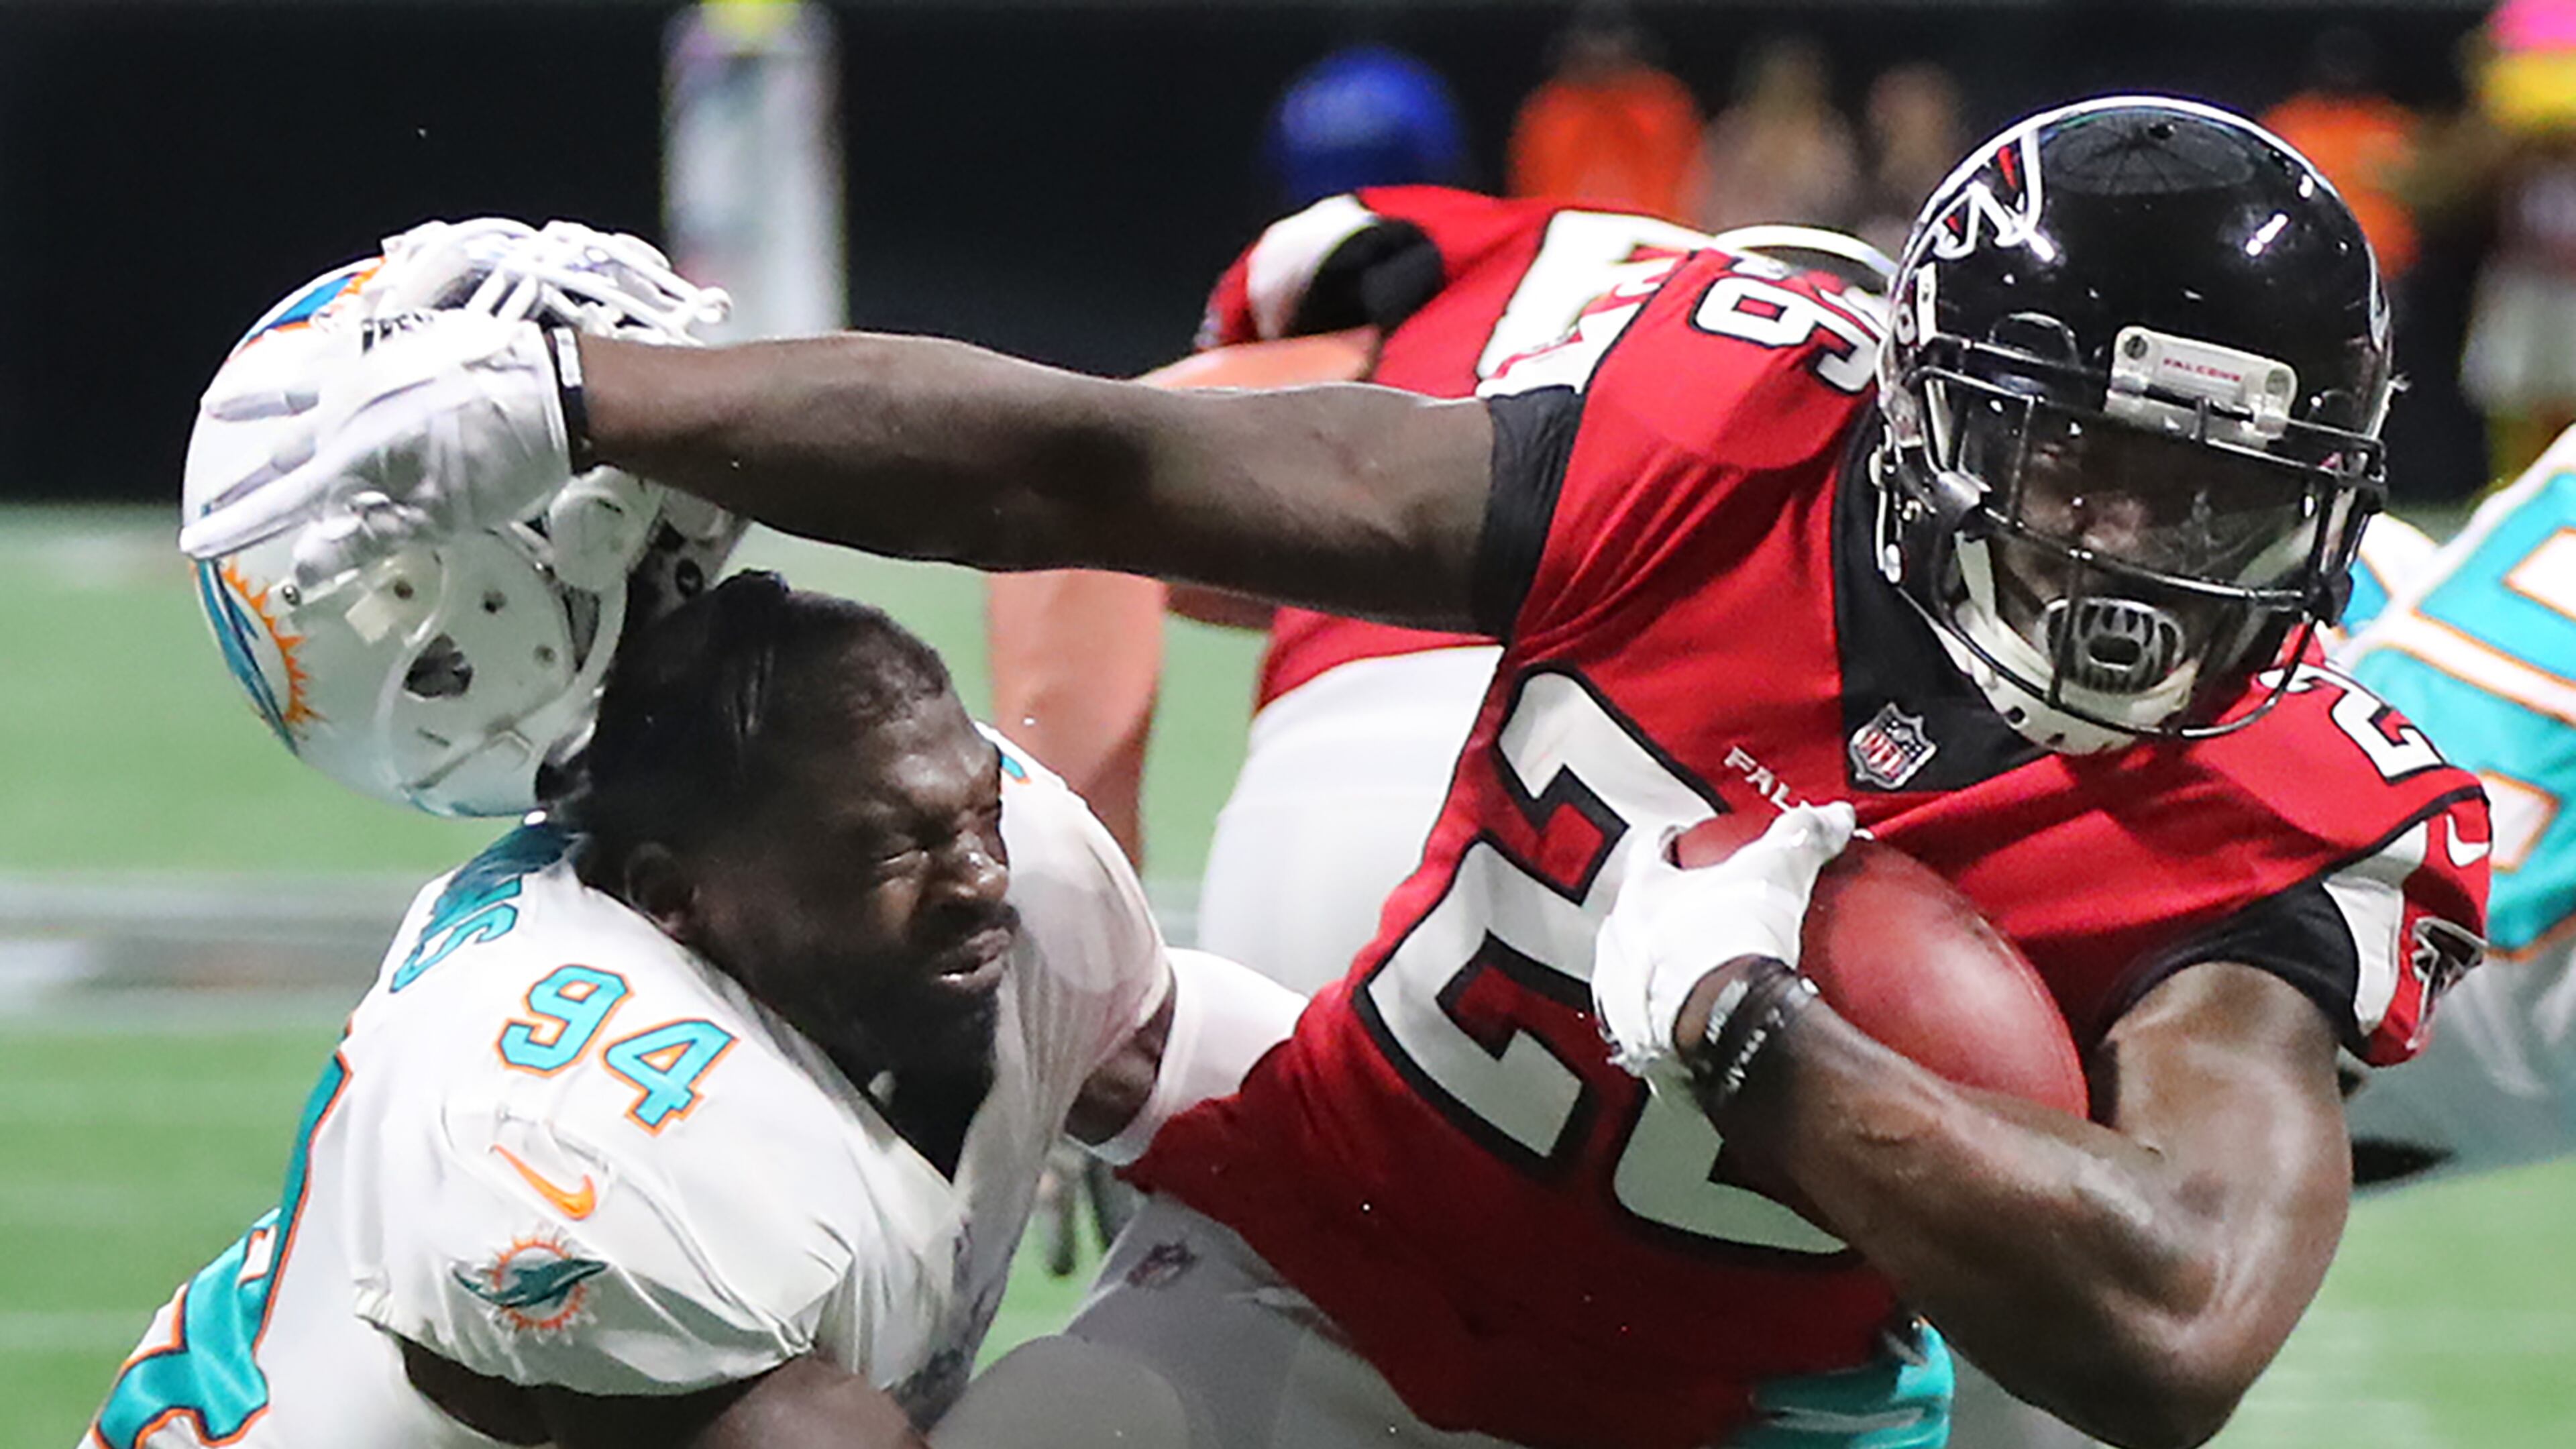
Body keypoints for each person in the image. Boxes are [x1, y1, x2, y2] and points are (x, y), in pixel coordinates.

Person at [179, 99, 2490, 1449]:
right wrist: (595, 401)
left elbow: (2181, 1328)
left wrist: (1747, 1033)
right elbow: (1091, 466)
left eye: (2220, 495)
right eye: (2084, 472)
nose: (2141, 562)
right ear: (1924, 404)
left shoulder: (2285, 804)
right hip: (1311, 1280)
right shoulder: (1720, 428)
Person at [112, 238, 1307, 1449]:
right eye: (507, 421)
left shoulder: (979, 824)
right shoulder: (552, 1120)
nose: (980, 874)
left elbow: (1311, 1131)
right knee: (1101, 1415)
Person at [1507, 1, 1705, 223]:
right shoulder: (1550, 111)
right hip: (1569, 238)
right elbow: (1535, 194)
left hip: (1654, 237)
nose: (1604, 55)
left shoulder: (1662, 106)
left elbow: (1682, 190)